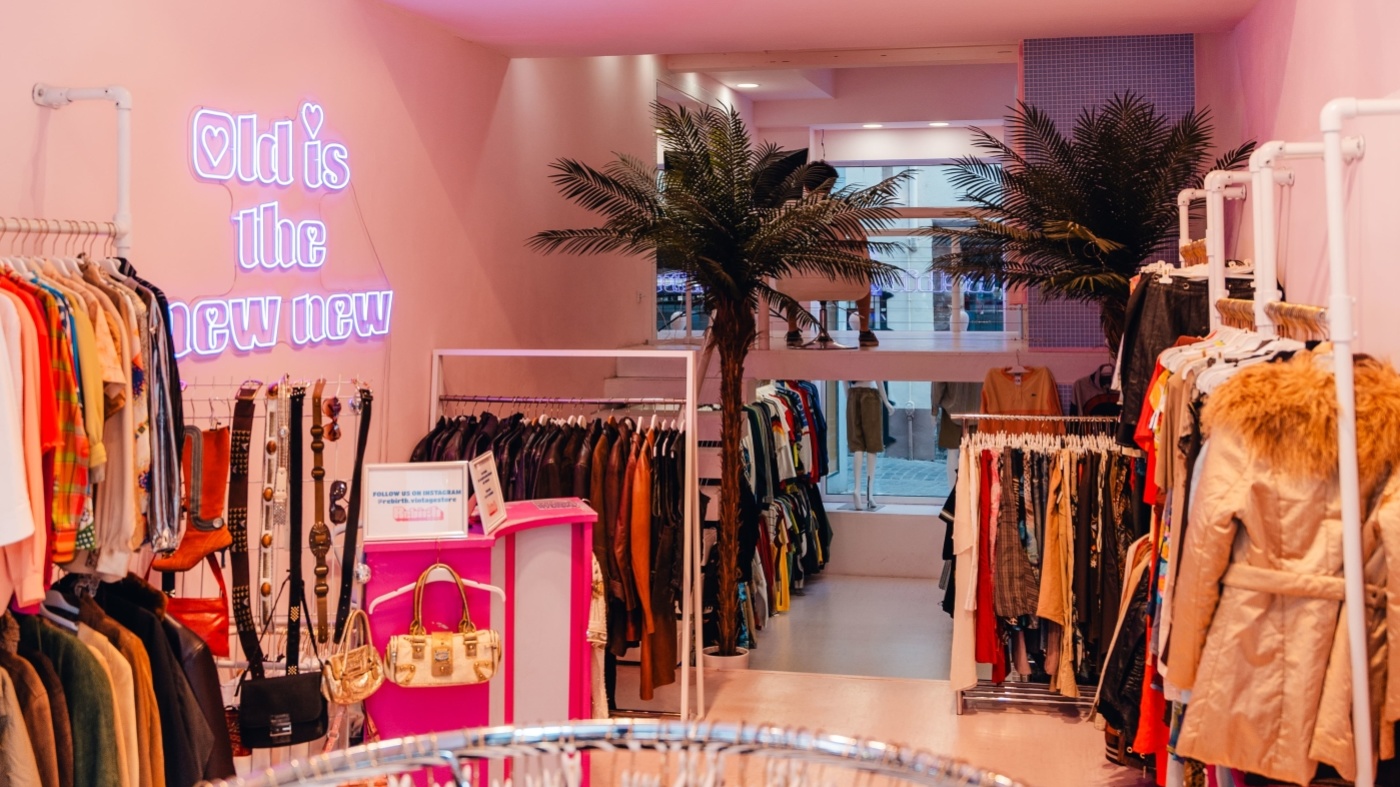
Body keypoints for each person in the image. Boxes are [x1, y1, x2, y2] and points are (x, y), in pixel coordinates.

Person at [782, 161, 878, 348]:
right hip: (843, 282)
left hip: (799, 283)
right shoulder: (844, 208)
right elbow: (862, 242)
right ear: (832, 185)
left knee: (787, 270)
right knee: (864, 273)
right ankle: (864, 332)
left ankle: (792, 332)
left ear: (805, 184)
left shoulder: (790, 208)